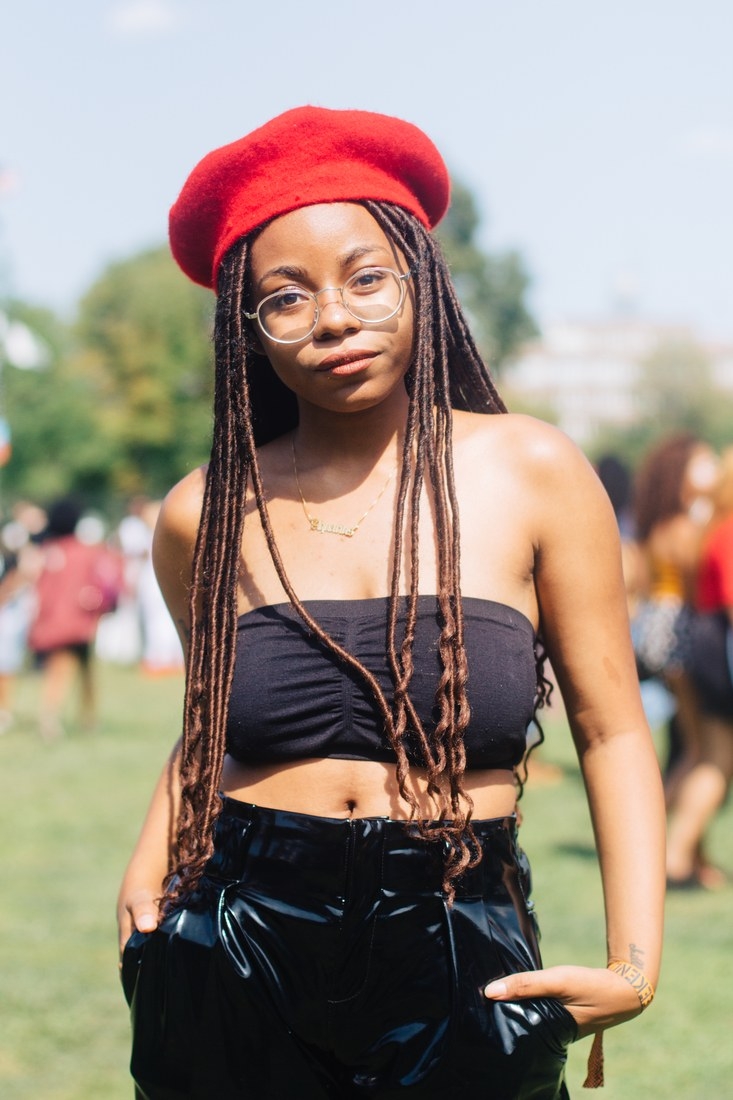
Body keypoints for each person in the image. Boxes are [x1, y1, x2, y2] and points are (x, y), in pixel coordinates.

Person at [117, 106, 665, 1099]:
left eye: (367, 276)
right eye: (287, 296)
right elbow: (205, 725)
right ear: (248, 322)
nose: (334, 316)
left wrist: (635, 962)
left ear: (423, 278)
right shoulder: (203, 511)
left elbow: (611, 726)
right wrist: (144, 874)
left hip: (458, 929)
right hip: (235, 935)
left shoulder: (530, 468)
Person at [666, 446, 733, 887]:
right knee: (715, 761)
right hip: (718, 645)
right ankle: (673, 857)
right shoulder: (727, 531)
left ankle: (680, 855)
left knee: (705, 757)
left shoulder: (713, 527)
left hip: (704, 643)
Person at [27, 498, 123, 739]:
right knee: (77, 670)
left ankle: (81, 718)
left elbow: (41, 591)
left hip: (55, 622)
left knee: (69, 671)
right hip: (80, 622)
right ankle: (64, 720)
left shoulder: (49, 551)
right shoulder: (87, 552)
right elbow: (108, 582)